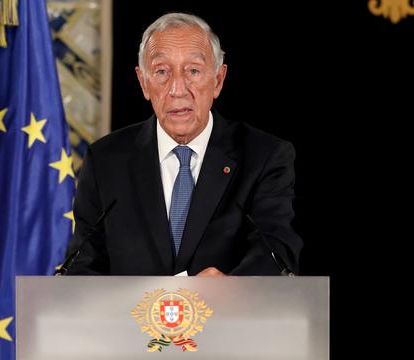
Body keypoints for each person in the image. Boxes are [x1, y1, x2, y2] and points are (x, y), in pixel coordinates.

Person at [67, 12, 302, 276]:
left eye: (193, 70)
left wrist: (234, 287)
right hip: (127, 317)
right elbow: (81, 266)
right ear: (143, 83)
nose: (178, 89)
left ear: (218, 80)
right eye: (161, 72)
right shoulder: (105, 161)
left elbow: (276, 253)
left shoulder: (264, 157)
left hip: (227, 315)